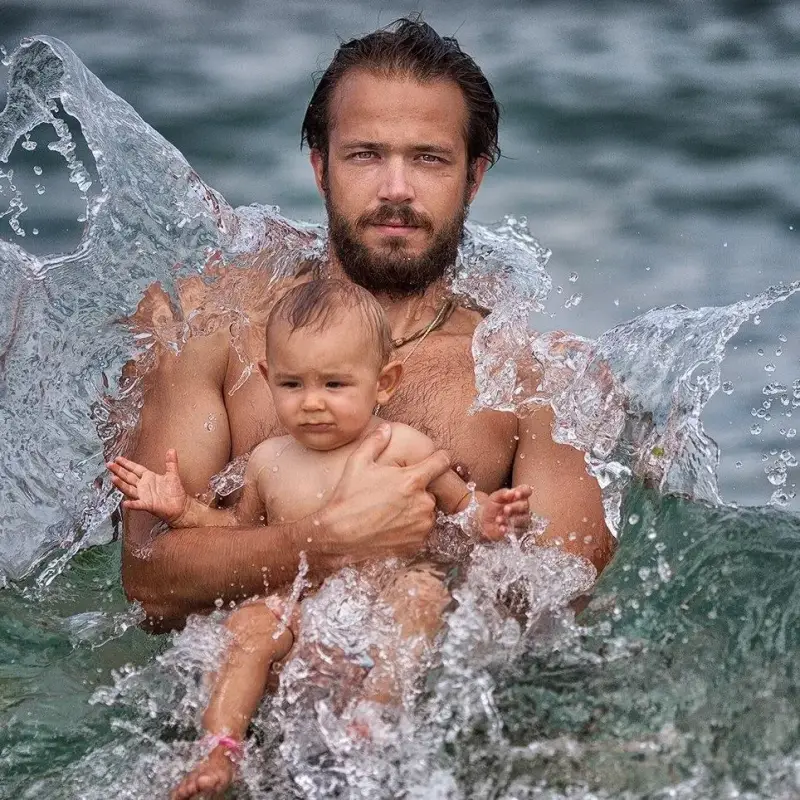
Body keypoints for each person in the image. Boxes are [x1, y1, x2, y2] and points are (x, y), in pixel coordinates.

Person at [121, 17, 615, 635]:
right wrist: (331, 543)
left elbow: (560, 607)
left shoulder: (533, 383)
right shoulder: (219, 331)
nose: (396, 189)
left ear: (474, 178)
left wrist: (432, 548)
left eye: (429, 159)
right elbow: (148, 581)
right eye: (366, 155)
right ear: (322, 168)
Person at [109, 280, 533, 799]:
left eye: (335, 385)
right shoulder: (268, 461)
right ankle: (219, 749)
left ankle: (375, 715)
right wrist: (184, 510)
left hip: (384, 593)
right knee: (248, 625)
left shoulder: (401, 445)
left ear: (384, 383)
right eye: (292, 385)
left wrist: (488, 516)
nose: (312, 403)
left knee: (422, 594)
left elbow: (461, 508)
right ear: (268, 379)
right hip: (304, 603)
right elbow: (244, 535)